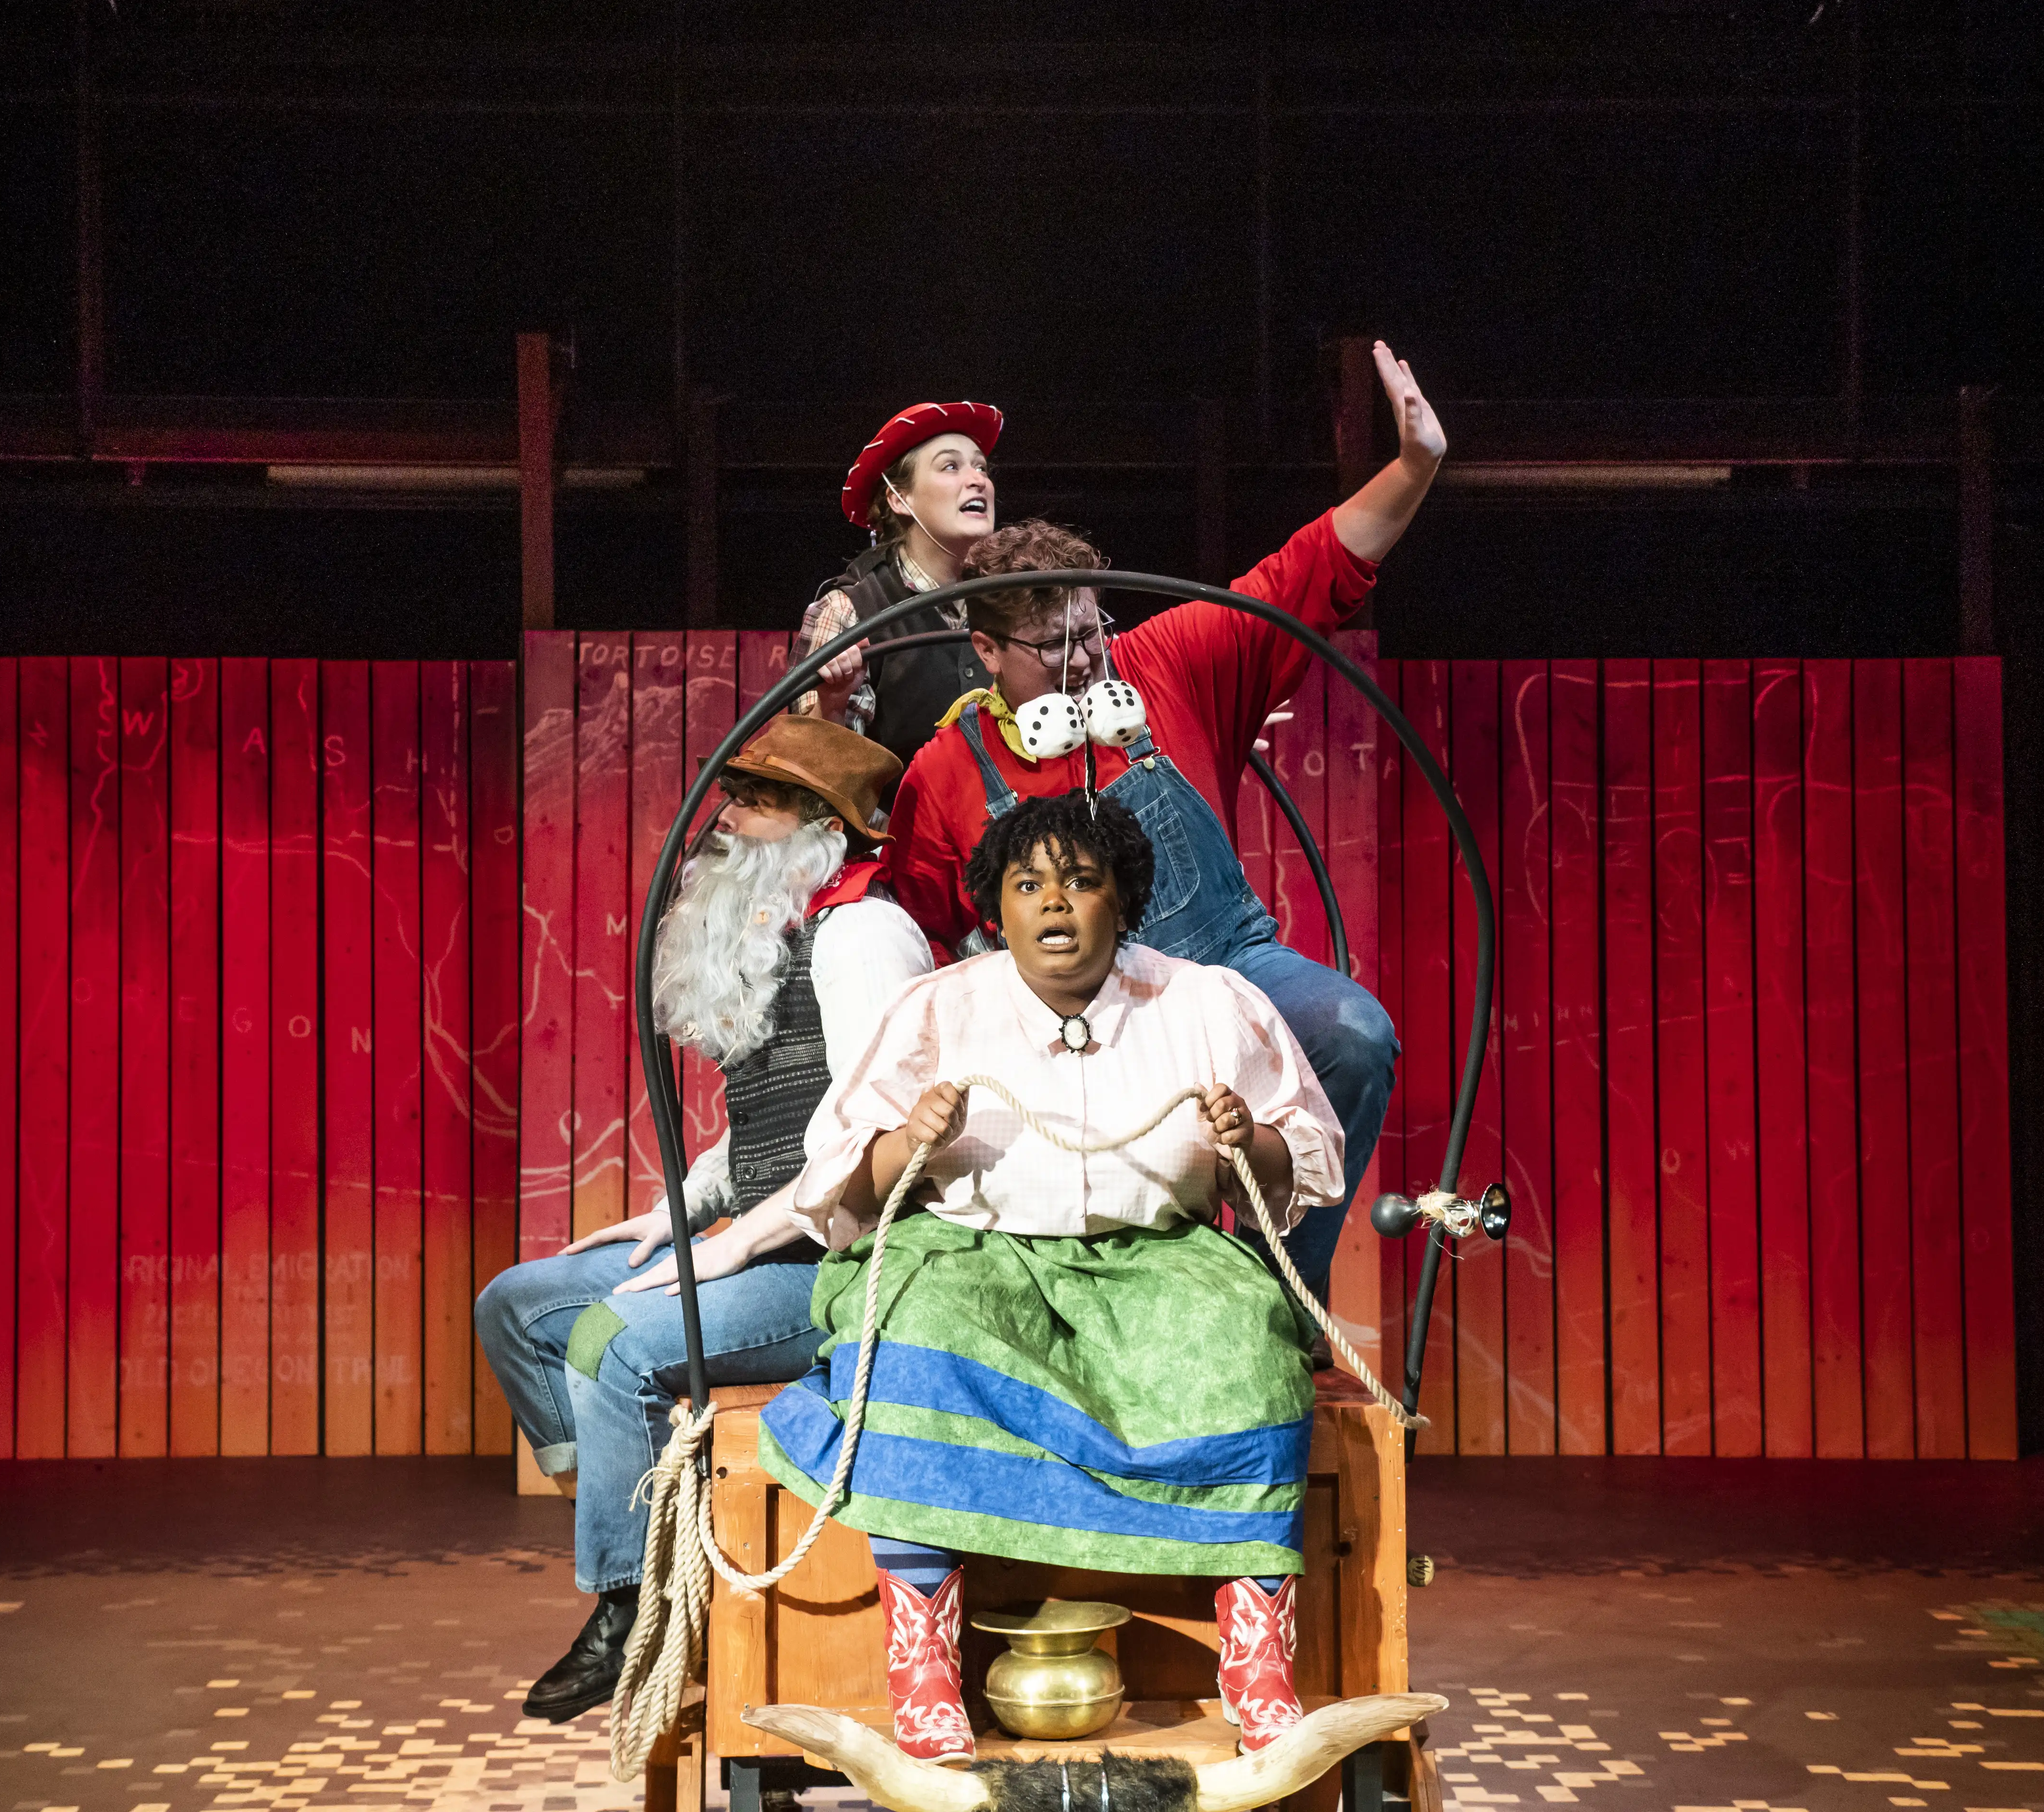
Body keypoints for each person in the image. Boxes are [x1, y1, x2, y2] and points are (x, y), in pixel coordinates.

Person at [759, 793, 1342, 1762]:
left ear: (1125, 900)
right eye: (1028, 885)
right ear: (998, 908)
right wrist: (911, 1141)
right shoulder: (938, 1009)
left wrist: (1254, 1142)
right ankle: (923, 1665)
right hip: (980, 1258)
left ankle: (1255, 1663)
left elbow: (1308, 1157)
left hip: (1159, 1259)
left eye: (1081, 881)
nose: (1055, 903)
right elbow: (839, 1183)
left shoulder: (1207, 1002)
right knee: (913, 1335)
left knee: (1250, 1346)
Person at [880, 341, 1445, 1309]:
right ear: (986, 649)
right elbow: (921, 935)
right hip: (1062, 1021)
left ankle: (1276, 1298)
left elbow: (1310, 571)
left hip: (1224, 970)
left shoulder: (1166, 663)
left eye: (1092, 633)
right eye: (1053, 647)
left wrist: (1417, 466)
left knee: (1353, 1033)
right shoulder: (946, 773)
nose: (1085, 664)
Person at [469, 715, 932, 1725]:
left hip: (835, 1263)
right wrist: (675, 1214)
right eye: (736, 795)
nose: (729, 818)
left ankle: (627, 1610)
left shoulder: (863, 936)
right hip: (756, 1238)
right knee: (520, 1307)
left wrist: (732, 1244)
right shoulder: (781, 934)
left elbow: (871, 1139)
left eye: (759, 802)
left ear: (824, 828)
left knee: (616, 1343)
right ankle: (639, 1530)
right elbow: (770, 1124)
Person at [791, 400, 1006, 769]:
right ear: (899, 499)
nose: (978, 480)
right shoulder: (849, 610)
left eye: (981, 467)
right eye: (951, 466)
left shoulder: (1014, 599)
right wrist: (833, 703)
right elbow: (812, 775)